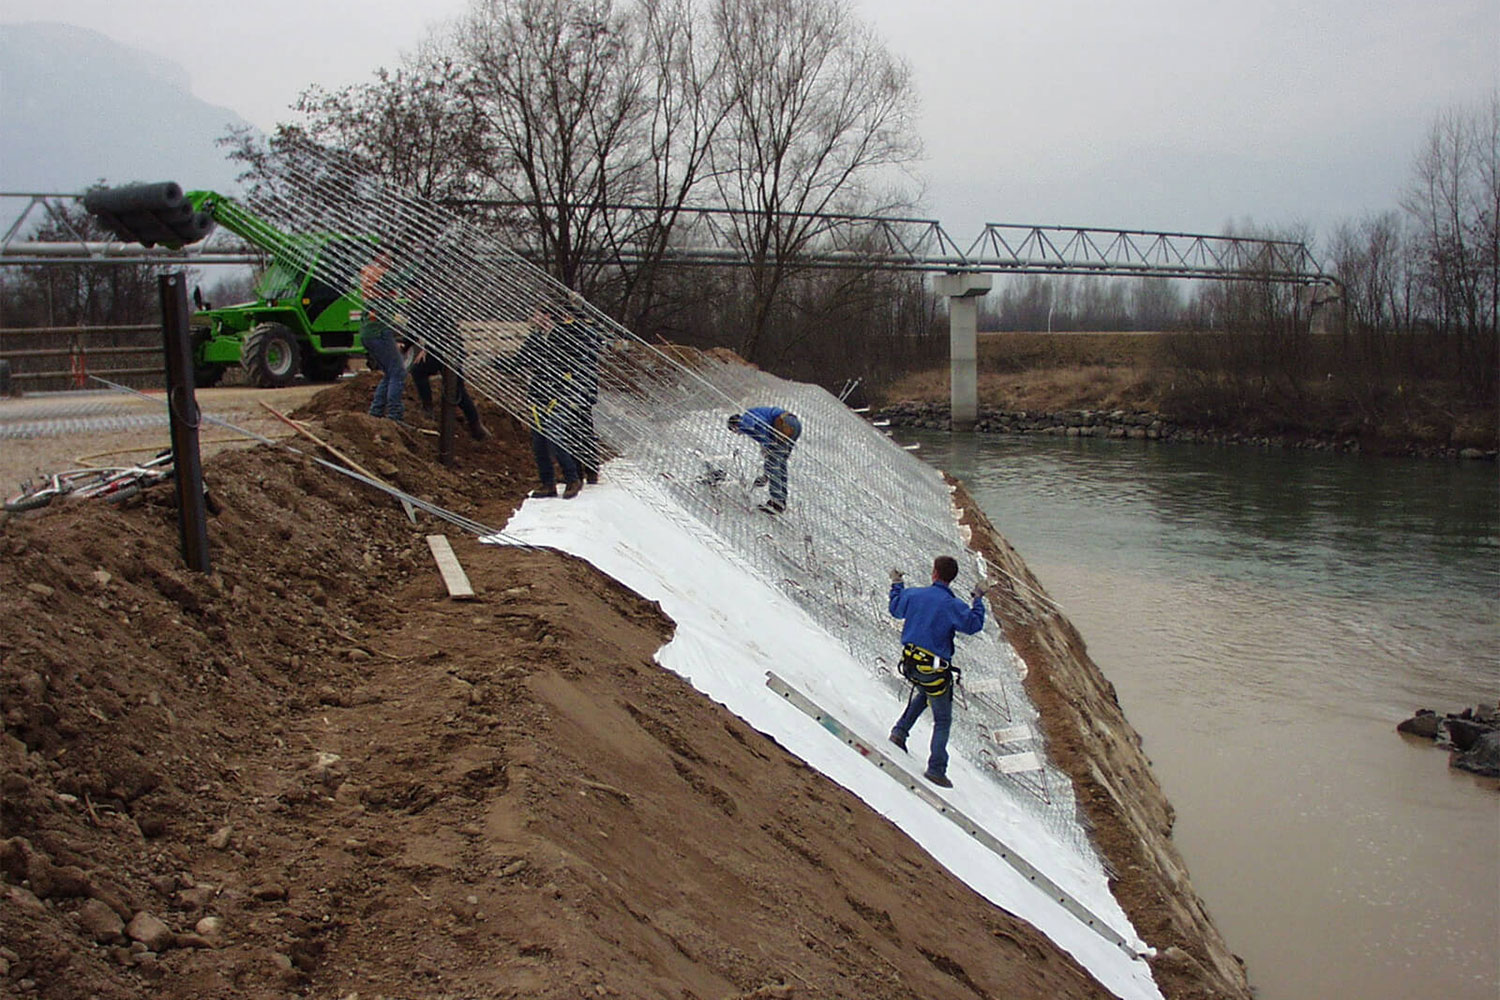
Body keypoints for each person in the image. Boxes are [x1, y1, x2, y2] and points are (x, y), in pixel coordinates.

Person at [887, 556, 986, 788]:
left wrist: (897, 583)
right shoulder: (953, 606)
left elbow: (896, 608)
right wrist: (978, 599)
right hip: (933, 669)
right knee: (942, 719)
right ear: (952, 578)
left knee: (924, 694)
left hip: (911, 663)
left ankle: (900, 732)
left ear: (934, 573)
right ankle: (936, 769)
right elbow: (973, 625)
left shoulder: (914, 595)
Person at [517, 305, 584, 498]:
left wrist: (559, 379)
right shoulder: (534, 340)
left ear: (546, 316)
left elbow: (571, 363)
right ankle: (548, 484)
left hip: (559, 395)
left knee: (555, 436)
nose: (533, 318)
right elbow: (519, 360)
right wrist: (496, 362)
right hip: (538, 396)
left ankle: (572, 478)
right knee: (539, 442)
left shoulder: (562, 337)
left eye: (536, 314)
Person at [359, 248, 408, 422]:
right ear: (378, 256)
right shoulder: (378, 274)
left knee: (390, 372)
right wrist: (418, 264)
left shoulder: (369, 272)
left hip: (370, 330)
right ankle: (394, 417)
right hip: (378, 331)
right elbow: (402, 279)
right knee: (398, 371)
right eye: (386, 256)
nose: (389, 260)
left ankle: (375, 413)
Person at [726, 406, 802, 513]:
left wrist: (767, 446)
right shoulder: (752, 415)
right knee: (780, 463)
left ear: (735, 425)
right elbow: (764, 433)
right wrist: (766, 474)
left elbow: (762, 426)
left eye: (734, 430)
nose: (737, 434)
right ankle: (781, 500)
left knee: (773, 464)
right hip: (794, 424)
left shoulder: (746, 420)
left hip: (784, 423)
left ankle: (776, 502)